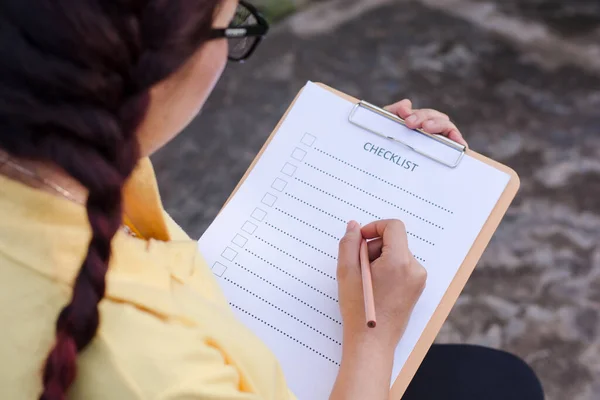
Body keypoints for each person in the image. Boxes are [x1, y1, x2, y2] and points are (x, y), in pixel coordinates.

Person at [0, 1, 544, 399]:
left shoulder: (55, 161)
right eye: (232, 27)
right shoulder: (149, 373)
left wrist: (377, 165)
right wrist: (374, 338)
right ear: (155, 69)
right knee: (503, 385)